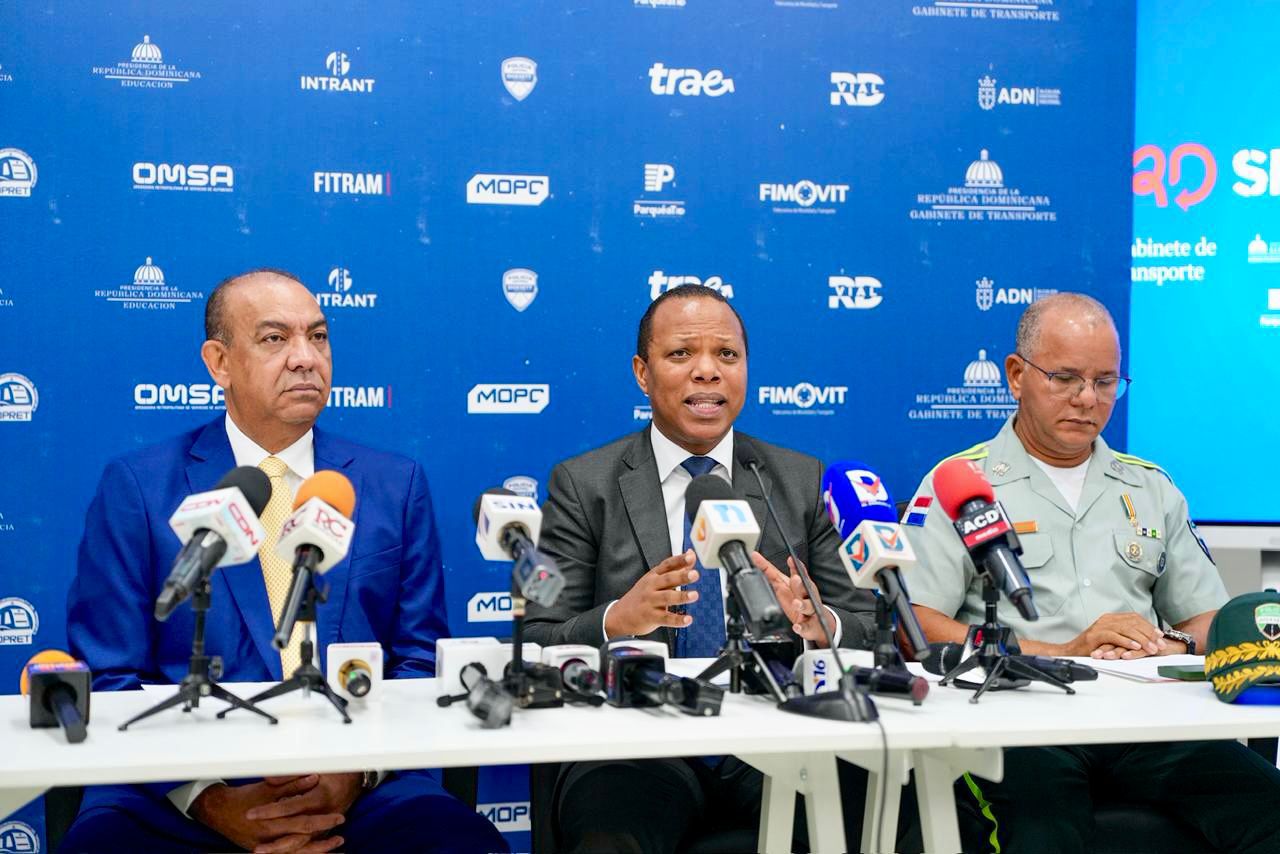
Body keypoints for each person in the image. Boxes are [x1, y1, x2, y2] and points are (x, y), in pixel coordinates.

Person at [64, 269, 507, 854]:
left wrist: (355, 775)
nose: (305, 358)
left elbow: (419, 658)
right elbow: (111, 676)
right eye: (275, 339)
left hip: (360, 786)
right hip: (178, 795)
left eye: (318, 337)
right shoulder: (141, 487)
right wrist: (208, 798)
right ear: (219, 363)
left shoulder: (393, 484)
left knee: (459, 842)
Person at [905, 292, 1280, 852]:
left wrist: (1170, 644)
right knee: (1043, 835)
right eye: (1065, 378)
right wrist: (1058, 652)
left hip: (1146, 724)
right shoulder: (961, 485)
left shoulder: (1150, 487)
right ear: (1016, 375)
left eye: (1106, 382)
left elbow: (1209, 620)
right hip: (1018, 724)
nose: (1087, 399)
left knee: (1268, 807)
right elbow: (916, 624)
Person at [523, 284, 878, 853]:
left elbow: (867, 628)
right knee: (610, 833)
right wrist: (616, 620)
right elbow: (534, 639)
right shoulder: (581, 484)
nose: (708, 371)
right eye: (682, 353)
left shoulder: (800, 479)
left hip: (776, 734)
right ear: (642, 373)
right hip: (637, 743)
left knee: (871, 807)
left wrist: (821, 624)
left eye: (727, 354)